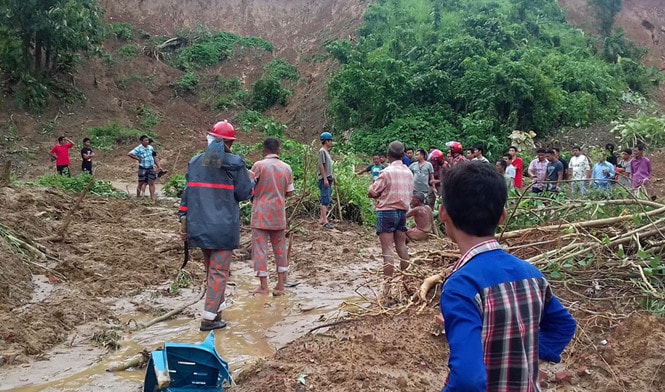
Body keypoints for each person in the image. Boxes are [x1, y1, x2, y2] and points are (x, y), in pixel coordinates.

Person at [437, 161, 576, 391]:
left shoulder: (461, 286)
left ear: (443, 213)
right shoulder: (532, 275)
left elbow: (467, 380)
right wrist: (520, 348)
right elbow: (563, 325)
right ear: (502, 216)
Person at [178, 120, 254, 331]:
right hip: (223, 228)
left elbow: (186, 195)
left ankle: (217, 312)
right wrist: (251, 180)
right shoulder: (235, 163)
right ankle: (209, 319)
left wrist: (182, 223)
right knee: (219, 272)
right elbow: (244, 194)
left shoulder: (195, 162)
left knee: (211, 271)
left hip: (199, 226)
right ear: (230, 142)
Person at [249, 138, 294, 296]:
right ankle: (280, 285)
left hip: (260, 213)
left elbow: (249, 188)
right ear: (278, 150)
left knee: (260, 250)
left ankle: (263, 286)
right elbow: (289, 192)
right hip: (278, 213)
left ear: (264, 150)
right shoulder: (287, 168)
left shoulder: (258, 166)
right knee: (280, 249)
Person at [368, 141, 414, 278]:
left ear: (388, 155)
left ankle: (387, 288)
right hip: (402, 213)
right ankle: (406, 282)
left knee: (387, 250)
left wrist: (371, 191)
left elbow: (373, 191)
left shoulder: (386, 172)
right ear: (403, 155)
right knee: (402, 247)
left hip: (387, 212)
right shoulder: (409, 172)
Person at [128, 135, 163, 201]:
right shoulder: (138, 148)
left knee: (152, 182)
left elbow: (155, 157)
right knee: (141, 183)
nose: (147, 142)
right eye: (145, 140)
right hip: (143, 168)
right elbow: (130, 154)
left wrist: (159, 166)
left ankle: (152, 198)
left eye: (147, 140)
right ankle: (138, 196)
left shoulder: (151, 148)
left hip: (151, 167)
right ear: (141, 141)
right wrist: (138, 158)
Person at [317, 132, 336, 229]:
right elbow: (321, 165)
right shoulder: (322, 151)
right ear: (326, 141)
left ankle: (322, 218)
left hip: (328, 178)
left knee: (327, 198)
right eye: (330, 140)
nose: (331, 142)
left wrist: (333, 177)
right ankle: (324, 220)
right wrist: (325, 179)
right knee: (325, 199)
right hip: (325, 179)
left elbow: (329, 167)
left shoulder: (326, 152)